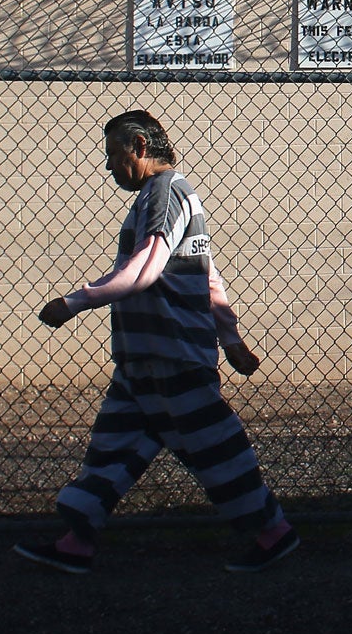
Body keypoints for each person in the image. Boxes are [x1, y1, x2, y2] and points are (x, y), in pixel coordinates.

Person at [15, 109, 299, 575]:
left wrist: (74, 302)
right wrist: (230, 340)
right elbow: (205, 273)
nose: (109, 167)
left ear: (140, 149)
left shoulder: (165, 194)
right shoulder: (163, 195)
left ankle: (273, 533)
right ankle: (76, 542)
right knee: (112, 450)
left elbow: (145, 269)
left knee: (216, 449)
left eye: (114, 154)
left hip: (171, 360)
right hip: (145, 363)